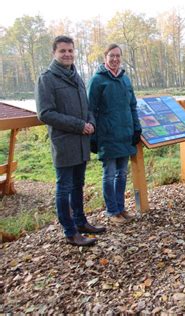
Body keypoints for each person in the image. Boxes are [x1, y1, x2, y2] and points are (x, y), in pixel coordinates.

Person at [35, 35, 105, 246]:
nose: (67, 54)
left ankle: (81, 222)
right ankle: (70, 231)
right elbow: (45, 113)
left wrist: (91, 121)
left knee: (78, 185)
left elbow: (87, 107)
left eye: (70, 51)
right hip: (64, 143)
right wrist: (78, 125)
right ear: (54, 53)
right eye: (62, 51)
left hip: (82, 143)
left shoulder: (77, 76)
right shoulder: (46, 79)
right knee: (64, 188)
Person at [87, 44, 142, 224]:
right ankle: (112, 211)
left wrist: (136, 127)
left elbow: (132, 105)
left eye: (118, 56)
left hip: (125, 134)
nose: (115, 59)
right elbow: (91, 110)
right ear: (105, 58)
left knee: (122, 173)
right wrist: (93, 136)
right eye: (112, 56)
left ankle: (121, 207)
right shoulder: (97, 80)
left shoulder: (125, 79)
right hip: (107, 135)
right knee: (109, 174)